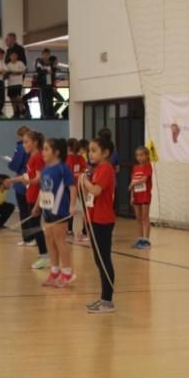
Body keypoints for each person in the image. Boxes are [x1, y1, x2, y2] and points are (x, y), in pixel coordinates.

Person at [79, 134, 117, 313]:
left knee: (104, 259)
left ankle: (108, 301)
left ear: (106, 152)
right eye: (89, 151)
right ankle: (103, 298)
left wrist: (84, 180)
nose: (90, 154)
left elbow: (96, 190)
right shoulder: (96, 169)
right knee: (98, 260)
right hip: (93, 218)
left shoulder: (106, 168)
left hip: (103, 220)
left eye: (94, 151)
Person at [36, 138, 75, 287]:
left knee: (60, 241)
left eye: (46, 149)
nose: (43, 152)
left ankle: (67, 273)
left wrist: (72, 205)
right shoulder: (45, 170)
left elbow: (72, 187)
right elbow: (43, 190)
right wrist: (37, 206)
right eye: (43, 149)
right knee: (50, 241)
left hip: (60, 211)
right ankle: (54, 272)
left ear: (56, 152)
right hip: (47, 212)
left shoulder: (62, 168)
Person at [8, 130, 49, 269]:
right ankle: (43, 254)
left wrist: (29, 182)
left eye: (26, 142)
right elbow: (27, 176)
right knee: (34, 226)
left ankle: (45, 255)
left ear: (35, 142)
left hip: (37, 196)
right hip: (30, 195)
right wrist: (12, 180)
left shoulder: (38, 157)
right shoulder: (31, 157)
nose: (24, 145)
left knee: (36, 227)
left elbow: (39, 179)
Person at [6, 126, 31, 245]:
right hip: (30, 182)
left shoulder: (21, 147)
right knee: (30, 211)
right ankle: (31, 237)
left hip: (23, 184)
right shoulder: (35, 149)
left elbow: (15, 164)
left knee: (24, 211)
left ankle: (28, 238)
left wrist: (10, 163)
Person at [130, 145, 154, 249]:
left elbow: (144, 179)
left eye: (141, 155)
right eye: (137, 155)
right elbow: (133, 180)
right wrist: (131, 195)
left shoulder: (148, 166)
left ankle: (146, 240)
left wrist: (132, 184)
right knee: (138, 218)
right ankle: (140, 238)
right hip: (136, 195)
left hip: (145, 195)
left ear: (146, 155)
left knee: (145, 217)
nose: (139, 157)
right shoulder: (135, 168)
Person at [34, 48, 57, 118]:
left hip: (49, 84)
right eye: (45, 54)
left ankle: (51, 115)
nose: (46, 56)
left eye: (47, 54)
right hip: (42, 84)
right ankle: (44, 115)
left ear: (49, 55)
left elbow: (53, 75)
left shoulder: (51, 64)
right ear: (42, 55)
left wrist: (53, 86)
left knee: (50, 101)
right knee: (43, 101)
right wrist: (46, 72)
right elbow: (39, 71)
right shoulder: (39, 62)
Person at [6, 50, 27, 118]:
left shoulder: (20, 63)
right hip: (11, 83)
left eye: (15, 55)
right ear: (10, 57)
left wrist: (17, 73)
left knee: (18, 97)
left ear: (17, 56)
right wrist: (14, 73)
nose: (14, 57)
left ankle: (22, 111)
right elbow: (7, 73)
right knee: (12, 98)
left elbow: (25, 70)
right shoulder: (8, 65)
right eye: (12, 56)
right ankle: (15, 112)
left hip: (18, 83)